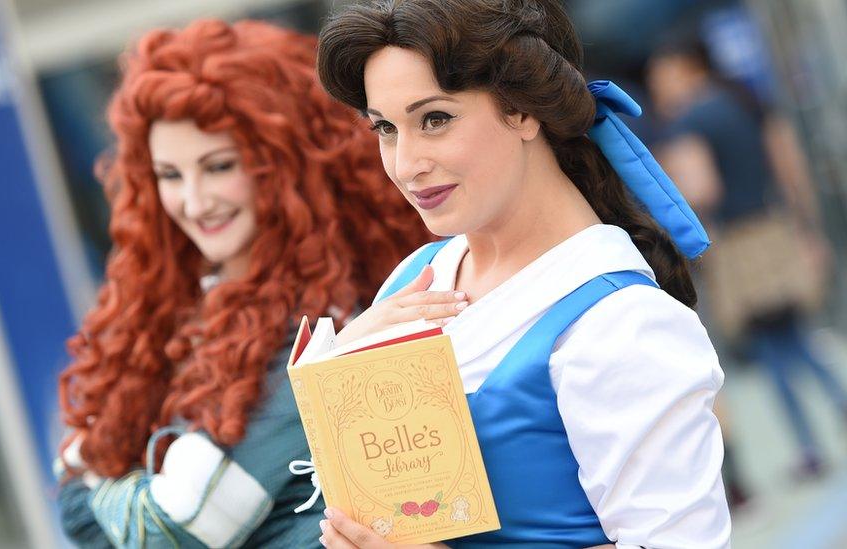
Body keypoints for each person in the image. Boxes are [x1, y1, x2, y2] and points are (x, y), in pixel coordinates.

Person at [310, 1, 731, 547]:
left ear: (523, 111)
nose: (405, 163)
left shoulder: (623, 323)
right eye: (386, 128)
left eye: (434, 119)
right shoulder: (418, 275)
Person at [54, 19, 437, 548]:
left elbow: (171, 530)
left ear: (286, 166)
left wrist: (89, 482)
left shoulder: (321, 321)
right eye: (169, 175)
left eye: (218, 166)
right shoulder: (181, 302)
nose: (194, 200)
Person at [647, 36, 846, 480]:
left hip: (739, 245)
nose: (660, 92)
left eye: (664, 80)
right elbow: (787, 161)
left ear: (687, 71)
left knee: (771, 349)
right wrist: (805, 227)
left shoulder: (689, 122)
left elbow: (702, 189)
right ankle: (838, 403)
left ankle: (809, 448)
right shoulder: (742, 100)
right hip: (773, 228)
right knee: (795, 335)